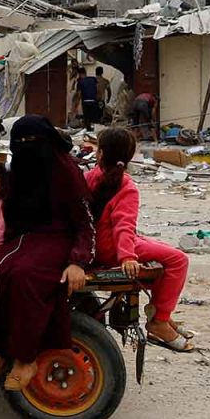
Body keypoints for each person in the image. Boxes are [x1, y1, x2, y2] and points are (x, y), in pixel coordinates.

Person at [0, 116, 95, 390]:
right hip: (23, 239)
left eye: (32, 141)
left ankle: (26, 358)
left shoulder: (65, 170)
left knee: (25, 275)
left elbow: (84, 222)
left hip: (58, 238)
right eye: (20, 142)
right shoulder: (19, 171)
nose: (26, 147)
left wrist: (77, 261)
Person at [85, 127, 195, 353]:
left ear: (100, 154)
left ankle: (160, 309)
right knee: (178, 260)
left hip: (94, 246)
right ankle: (160, 320)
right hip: (112, 248)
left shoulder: (89, 177)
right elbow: (123, 226)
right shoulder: (126, 187)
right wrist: (127, 257)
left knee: (161, 249)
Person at [75, 67, 100, 132]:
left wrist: (76, 105)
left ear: (79, 74)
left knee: (87, 118)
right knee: (94, 117)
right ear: (85, 73)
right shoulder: (93, 79)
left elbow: (79, 94)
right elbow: (98, 90)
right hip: (94, 101)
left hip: (85, 101)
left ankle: (88, 131)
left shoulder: (80, 82)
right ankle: (95, 131)